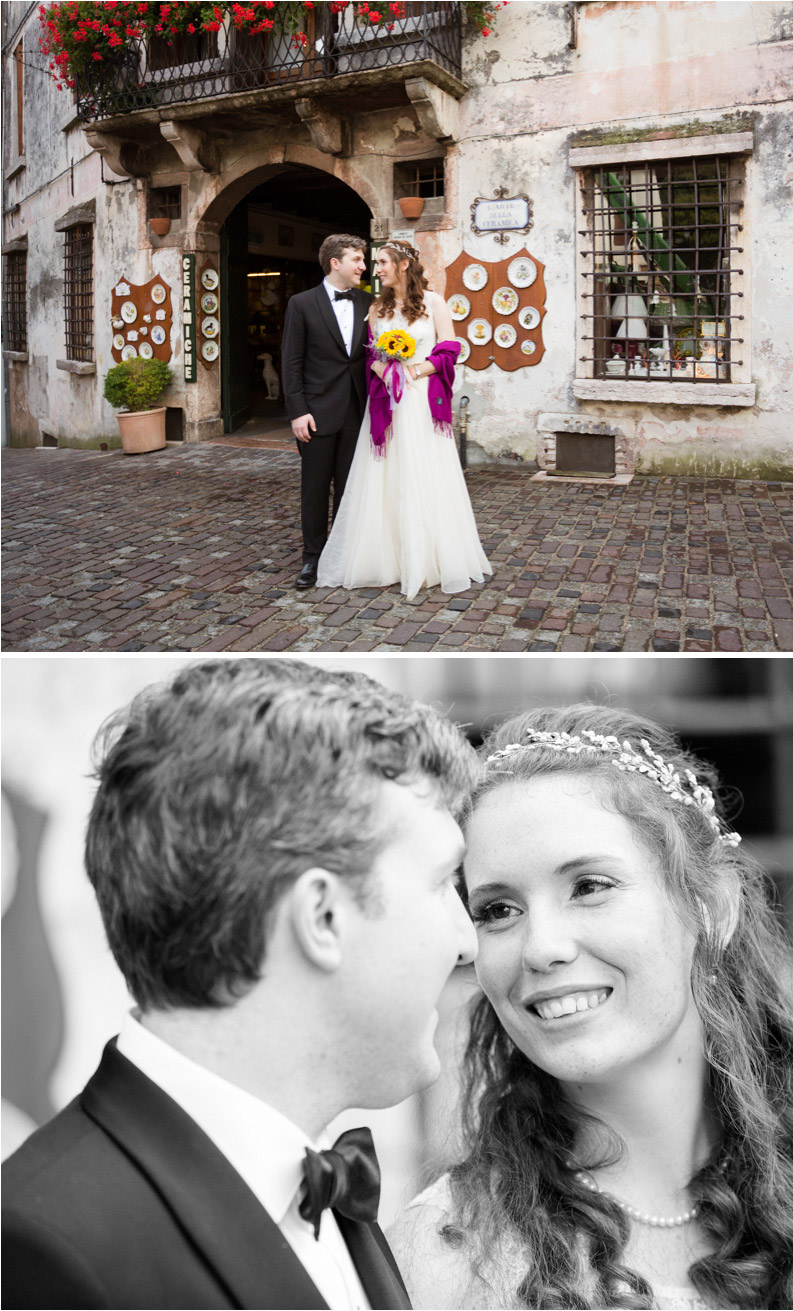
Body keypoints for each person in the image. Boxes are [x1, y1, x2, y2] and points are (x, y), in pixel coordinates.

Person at [387, 706, 793, 1311]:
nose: (540, 948)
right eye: (497, 911)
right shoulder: (446, 1256)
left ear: (711, 908)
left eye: (590, 886)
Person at [2, 659, 479, 1310]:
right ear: (322, 917)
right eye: (442, 883)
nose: (467, 940)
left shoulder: (335, 1196)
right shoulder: (39, 1250)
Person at [316, 240, 492, 600]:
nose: (375, 269)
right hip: (387, 404)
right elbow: (368, 355)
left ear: (402, 264)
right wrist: (383, 367)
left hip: (422, 402)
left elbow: (451, 348)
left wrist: (416, 370)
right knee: (385, 476)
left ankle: (428, 557)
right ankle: (388, 558)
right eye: (374, 262)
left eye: (381, 262)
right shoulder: (377, 308)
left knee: (423, 471)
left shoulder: (434, 302)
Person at [282, 234, 373, 591]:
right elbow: (291, 362)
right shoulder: (301, 304)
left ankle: (345, 553)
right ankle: (313, 559)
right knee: (315, 489)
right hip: (316, 413)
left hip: (358, 410)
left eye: (364, 260)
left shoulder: (370, 302)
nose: (363, 266)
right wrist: (298, 411)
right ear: (335, 263)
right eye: (357, 259)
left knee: (351, 488)